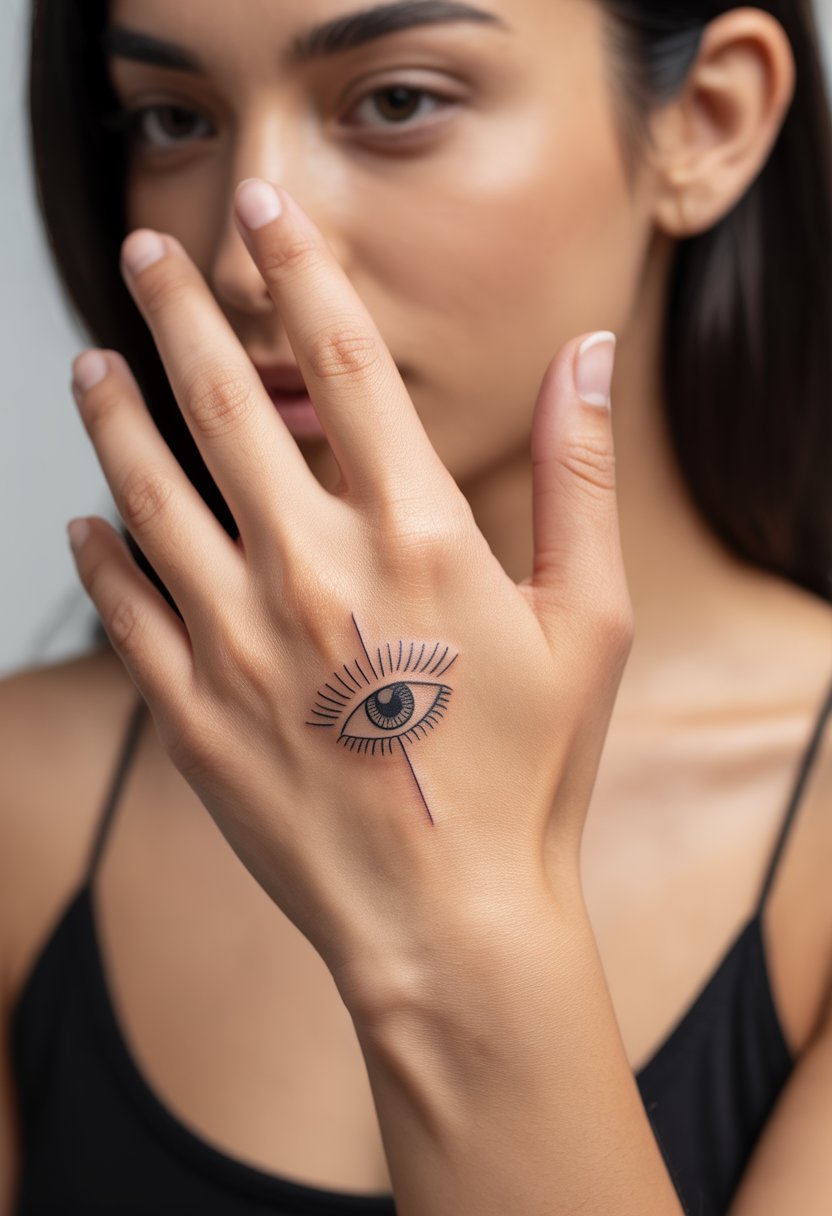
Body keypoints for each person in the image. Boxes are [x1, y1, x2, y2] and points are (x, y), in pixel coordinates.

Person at [1, 0, 831, 1212]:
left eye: (398, 101)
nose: (243, 259)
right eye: (174, 119)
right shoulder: (27, 793)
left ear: (706, 122)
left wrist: (447, 926)